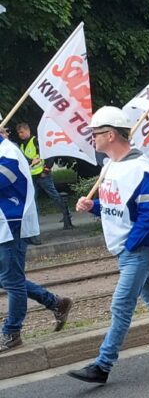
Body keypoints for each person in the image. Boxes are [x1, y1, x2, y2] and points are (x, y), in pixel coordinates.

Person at [68, 107, 149, 384]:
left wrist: (131, 245)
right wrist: (94, 206)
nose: (92, 138)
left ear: (111, 135)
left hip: (136, 250)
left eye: (96, 133)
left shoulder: (139, 169)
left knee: (121, 304)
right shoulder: (112, 166)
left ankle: (103, 365)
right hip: (128, 248)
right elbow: (118, 206)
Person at [1, 131, 73, 352]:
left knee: (12, 281)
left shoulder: (9, 154)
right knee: (9, 278)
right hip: (4, 224)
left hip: (12, 225)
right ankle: (56, 303)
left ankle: (12, 332)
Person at [16, 122, 74, 230]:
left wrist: (47, 169)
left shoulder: (36, 141)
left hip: (42, 174)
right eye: (19, 133)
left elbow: (48, 154)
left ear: (28, 130)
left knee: (54, 195)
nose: (20, 135)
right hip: (32, 175)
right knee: (32, 198)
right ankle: (35, 220)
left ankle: (67, 214)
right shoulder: (22, 145)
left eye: (22, 132)